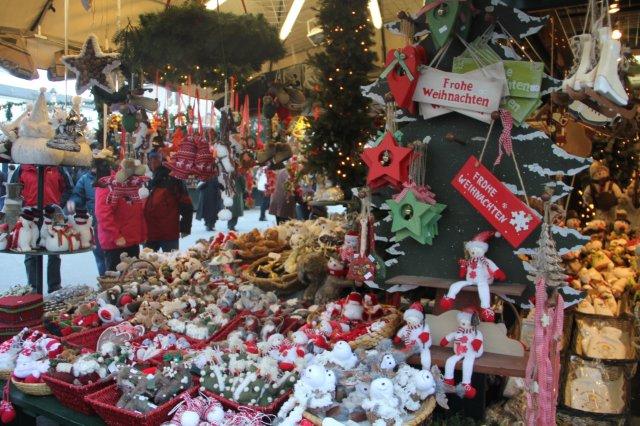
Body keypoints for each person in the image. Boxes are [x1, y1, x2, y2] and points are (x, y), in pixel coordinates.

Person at [11, 165, 72, 293]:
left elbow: (68, 187)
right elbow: (13, 189)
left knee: (55, 250)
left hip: (54, 213)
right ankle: (33, 288)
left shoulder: (57, 167)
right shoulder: (23, 168)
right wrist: (23, 207)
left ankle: (54, 287)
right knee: (29, 249)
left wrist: (58, 204)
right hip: (30, 213)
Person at [95, 163, 147, 271]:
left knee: (133, 276)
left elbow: (137, 213)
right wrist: (116, 236)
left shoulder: (131, 185)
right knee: (117, 277)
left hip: (132, 241)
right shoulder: (108, 185)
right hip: (116, 244)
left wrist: (142, 234)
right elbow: (103, 214)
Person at [144, 152, 193, 252]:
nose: (153, 162)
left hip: (167, 233)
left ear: (162, 160)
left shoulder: (173, 178)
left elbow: (186, 204)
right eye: (151, 159)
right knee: (148, 260)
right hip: (150, 233)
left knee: (170, 260)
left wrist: (185, 227)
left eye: (156, 158)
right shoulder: (146, 179)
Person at [67, 163, 107, 276]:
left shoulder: (110, 178)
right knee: (100, 256)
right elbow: (78, 195)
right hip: (95, 223)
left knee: (112, 255)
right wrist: (73, 202)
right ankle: (105, 280)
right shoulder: (85, 179)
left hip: (110, 222)